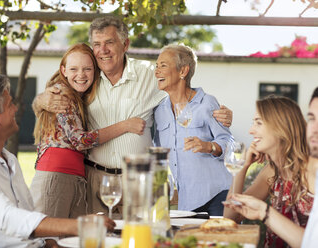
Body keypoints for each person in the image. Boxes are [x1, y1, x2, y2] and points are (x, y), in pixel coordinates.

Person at [32, 16, 234, 214]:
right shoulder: (88, 77)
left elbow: (181, 87)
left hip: (139, 179)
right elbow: (62, 87)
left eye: (109, 42)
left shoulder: (149, 74)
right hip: (96, 179)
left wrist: (218, 113)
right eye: (97, 44)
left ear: (125, 44)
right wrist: (40, 101)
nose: (103, 50)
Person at [0, 75, 115, 248]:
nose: (16, 108)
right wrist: (81, 225)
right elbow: (8, 218)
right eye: (10, 104)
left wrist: (50, 243)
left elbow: (27, 214)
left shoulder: (8, 159)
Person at [30, 43, 145, 219]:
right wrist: (125, 126)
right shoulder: (60, 93)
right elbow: (80, 140)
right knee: (49, 239)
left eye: (87, 69)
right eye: (74, 69)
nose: (81, 75)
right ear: (64, 70)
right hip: (56, 174)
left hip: (74, 176)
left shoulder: (80, 96)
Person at [225, 87, 318, 248]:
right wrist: (243, 166)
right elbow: (231, 217)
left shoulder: (310, 171)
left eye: (258, 123)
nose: (251, 130)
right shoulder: (272, 172)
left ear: (280, 128)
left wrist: (265, 212)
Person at [153, 44, 233, 216]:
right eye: (156, 66)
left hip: (217, 194)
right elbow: (158, 153)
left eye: (163, 65)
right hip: (187, 201)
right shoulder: (159, 111)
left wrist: (209, 146)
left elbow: (229, 142)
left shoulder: (207, 103)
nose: (157, 71)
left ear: (183, 71)